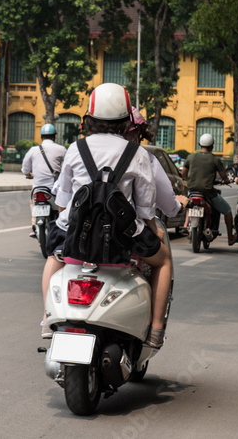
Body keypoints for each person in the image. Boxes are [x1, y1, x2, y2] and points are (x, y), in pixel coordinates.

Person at [42, 83, 173, 349]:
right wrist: (155, 230)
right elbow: (146, 209)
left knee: (54, 256)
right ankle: (156, 330)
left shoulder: (76, 148)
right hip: (122, 236)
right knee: (164, 261)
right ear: (127, 121)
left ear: (89, 118)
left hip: (76, 235)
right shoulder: (137, 153)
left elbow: (63, 202)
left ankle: (46, 319)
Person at [126, 108, 188, 240]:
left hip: (86, 235)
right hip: (129, 233)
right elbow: (167, 205)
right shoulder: (144, 157)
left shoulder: (81, 150)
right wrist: (179, 205)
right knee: (163, 252)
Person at [181, 133, 236, 245]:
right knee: (227, 210)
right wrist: (226, 180)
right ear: (212, 145)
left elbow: (183, 173)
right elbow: (223, 176)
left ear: (199, 144)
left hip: (192, 190)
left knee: (189, 204)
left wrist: (188, 180)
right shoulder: (215, 159)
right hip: (208, 192)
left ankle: (186, 225)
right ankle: (230, 238)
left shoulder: (191, 157)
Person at [22, 123, 67, 236]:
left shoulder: (33, 150)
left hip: (38, 188)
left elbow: (25, 169)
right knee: (63, 204)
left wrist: (29, 174)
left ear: (41, 136)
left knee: (33, 202)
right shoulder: (61, 149)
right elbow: (68, 166)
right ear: (55, 136)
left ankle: (34, 226)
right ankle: (63, 227)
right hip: (54, 188)